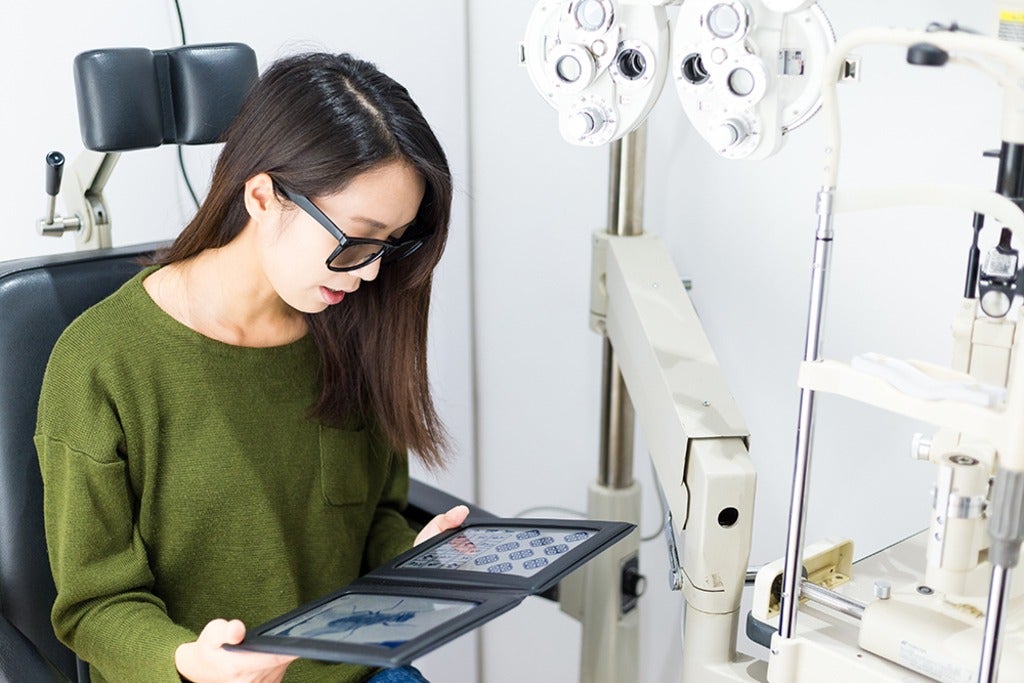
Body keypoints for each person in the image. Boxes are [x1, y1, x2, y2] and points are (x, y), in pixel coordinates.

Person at [35, 52, 468, 683]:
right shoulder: (102, 364)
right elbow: (94, 607)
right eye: (356, 240)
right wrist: (189, 661)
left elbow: (372, 519)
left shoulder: (353, 327)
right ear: (263, 197)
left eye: (390, 243)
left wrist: (414, 563)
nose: (373, 271)